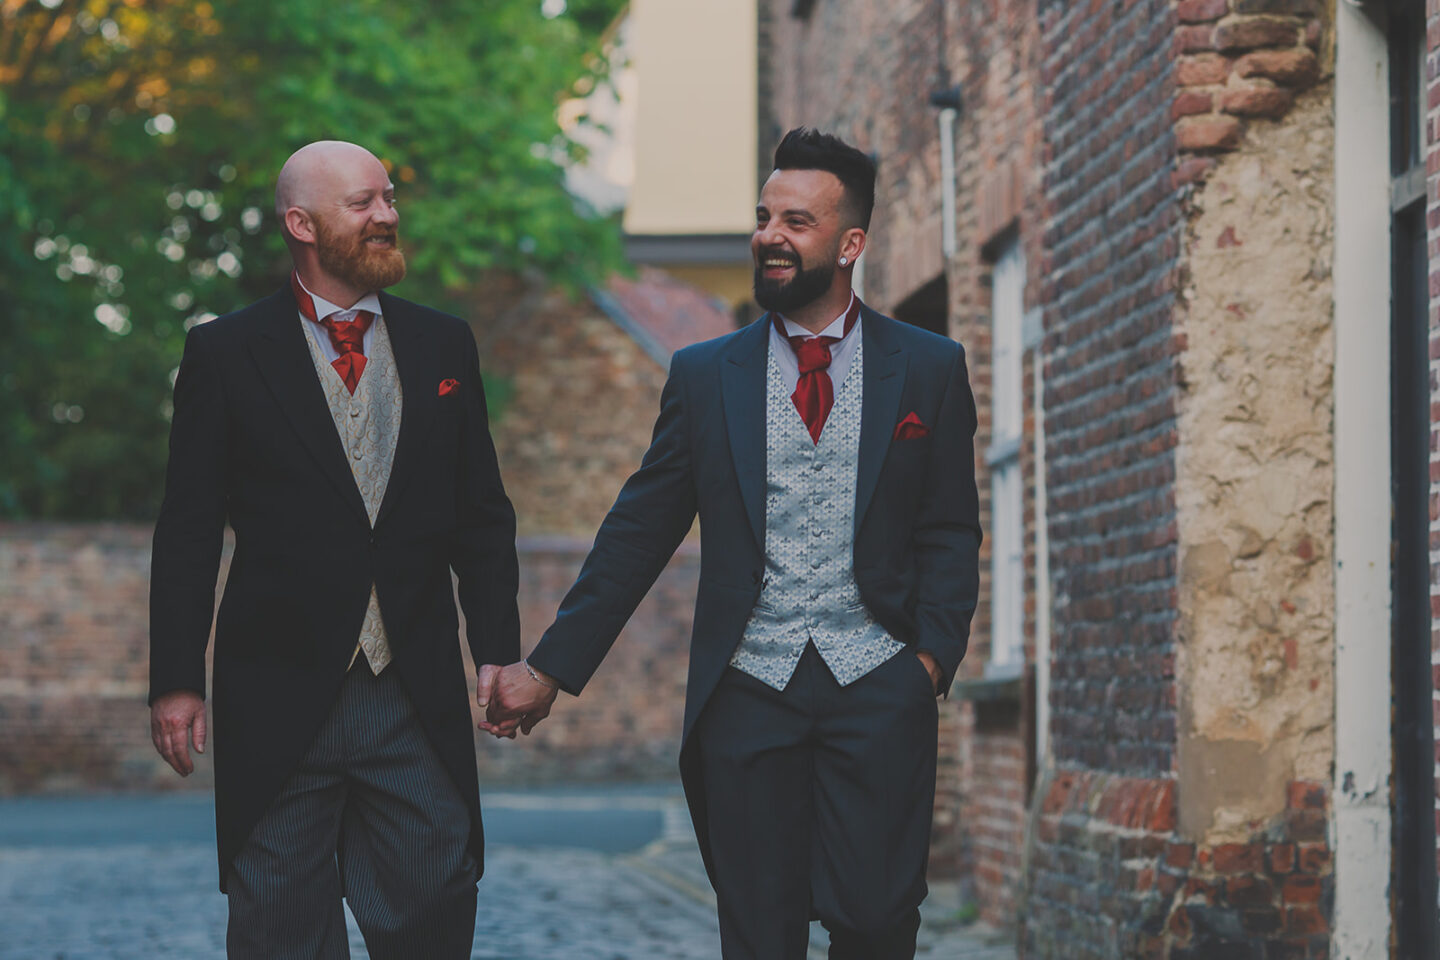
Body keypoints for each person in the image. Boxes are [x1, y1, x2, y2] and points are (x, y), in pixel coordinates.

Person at [490, 127, 982, 960]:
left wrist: (927, 660)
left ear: (850, 242)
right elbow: (637, 532)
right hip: (749, 691)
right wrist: (549, 669)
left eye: (796, 220)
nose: (768, 236)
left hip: (879, 686)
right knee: (758, 935)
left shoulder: (929, 367)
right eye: (764, 217)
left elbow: (950, 527)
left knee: (877, 922)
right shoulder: (705, 374)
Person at [147, 140, 520, 959]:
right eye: (364, 203)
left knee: (435, 904)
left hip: (410, 691)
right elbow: (188, 527)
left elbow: (481, 517)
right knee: (278, 927)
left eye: (389, 197)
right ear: (302, 224)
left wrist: (498, 651)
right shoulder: (224, 354)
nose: (387, 214)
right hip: (275, 692)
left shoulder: (444, 346)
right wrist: (175, 678)